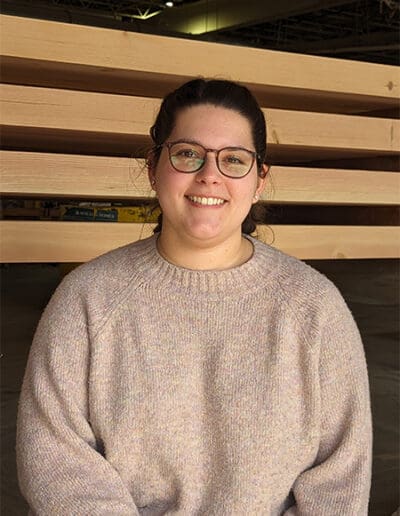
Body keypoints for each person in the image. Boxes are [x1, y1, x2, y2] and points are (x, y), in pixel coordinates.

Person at [16, 78, 372, 515]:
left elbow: (340, 481)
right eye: (188, 153)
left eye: (234, 160)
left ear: (259, 180)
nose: (210, 175)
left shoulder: (315, 308)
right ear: (153, 166)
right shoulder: (87, 299)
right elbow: (55, 464)